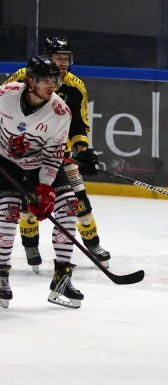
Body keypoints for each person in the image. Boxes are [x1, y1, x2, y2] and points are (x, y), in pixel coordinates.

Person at [3, 37, 108, 271]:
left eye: (66, 58)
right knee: (25, 201)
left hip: (56, 150)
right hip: (20, 152)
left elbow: (79, 125)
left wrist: (84, 151)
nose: (63, 62)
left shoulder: (75, 86)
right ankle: (31, 245)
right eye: (58, 57)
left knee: (77, 199)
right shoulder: (22, 77)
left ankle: (93, 244)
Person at [0, 55, 84, 309]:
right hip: (6, 162)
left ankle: (62, 278)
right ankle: (1, 274)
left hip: (40, 165)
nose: (52, 85)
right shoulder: (5, 94)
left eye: (54, 79)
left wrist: (45, 187)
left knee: (69, 207)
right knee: (9, 211)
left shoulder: (60, 112)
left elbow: (53, 155)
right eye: (45, 80)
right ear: (30, 81)